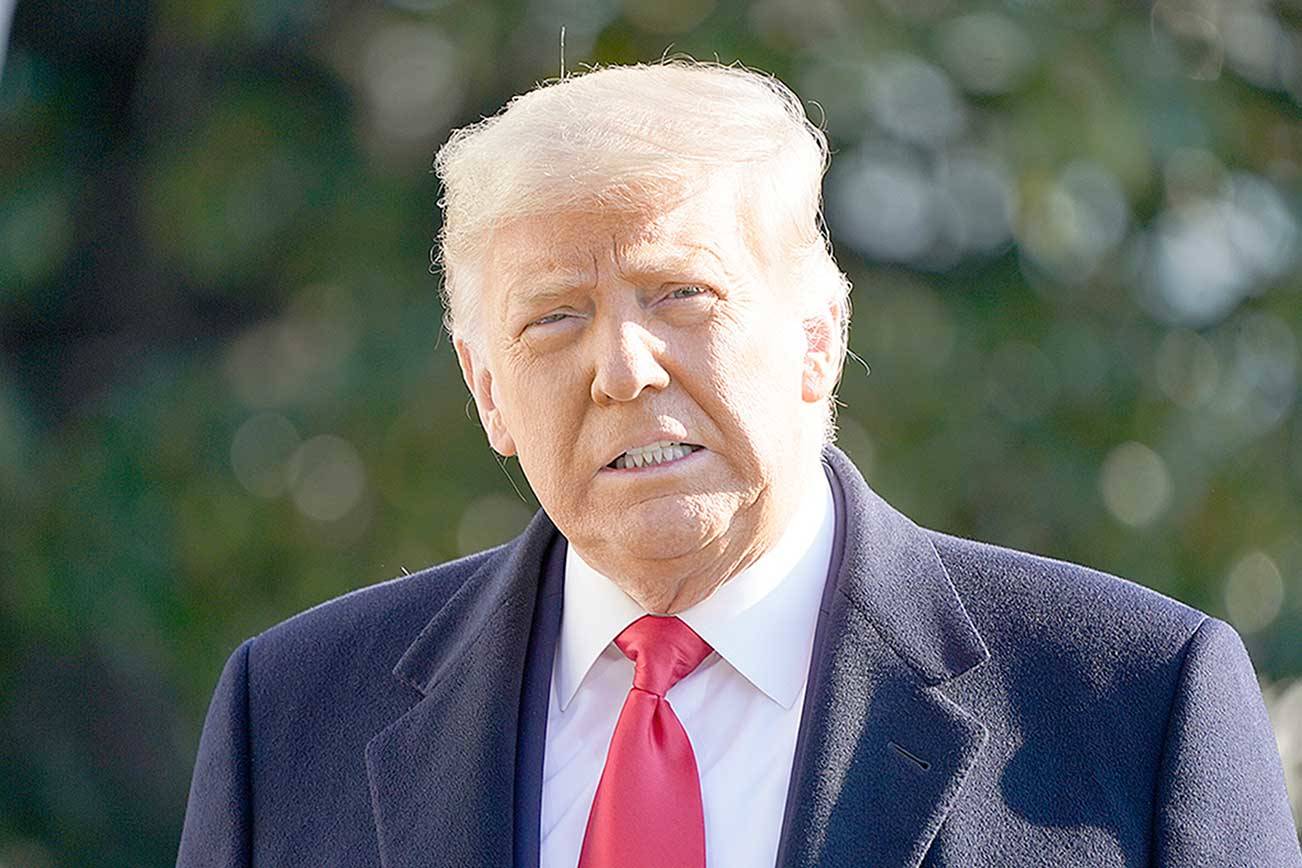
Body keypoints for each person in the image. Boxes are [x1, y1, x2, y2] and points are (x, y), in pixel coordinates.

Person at [177, 61, 1300, 867]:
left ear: (820, 337)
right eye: (555, 319)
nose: (623, 366)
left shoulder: (1137, 703)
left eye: (682, 295)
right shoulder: (290, 719)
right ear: (486, 390)